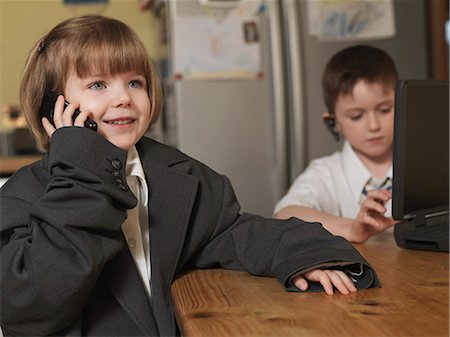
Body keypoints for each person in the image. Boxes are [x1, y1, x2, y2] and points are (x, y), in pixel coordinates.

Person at [0, 16, 379, 337]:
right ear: (55, 107)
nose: (124, 98)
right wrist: (81, 167)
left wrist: (308, 255)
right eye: (99, 85)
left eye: (135, 82)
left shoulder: (177, 175)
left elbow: (233, 233)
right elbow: (28, 301)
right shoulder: (25, 194)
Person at [274, 45, 398, 244]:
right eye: (356, 116)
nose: (374, 126)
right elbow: (284, 213)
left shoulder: (427, 164)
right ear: (333, 122)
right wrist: (350, 228)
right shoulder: (326, 173)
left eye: (384, 110)